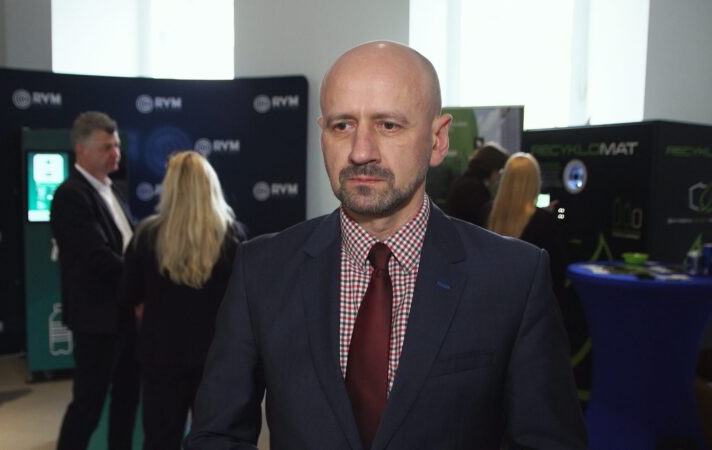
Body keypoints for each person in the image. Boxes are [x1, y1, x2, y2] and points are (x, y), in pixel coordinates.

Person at [186, 41, 587, 449]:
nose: (361, 151)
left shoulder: (513, 278)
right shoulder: (263, 270)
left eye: (388, 125)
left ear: (438, 140)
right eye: (342, 126)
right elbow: (215, 435)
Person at [119, 151, 246, 450]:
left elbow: (127, 295)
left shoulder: (147, 235)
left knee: (160, 438)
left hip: (161, 356)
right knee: (213, 439)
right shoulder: (233, 237)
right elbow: (242, 303)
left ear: (171, 188)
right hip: (216, 357)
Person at [51, 112, 139, 450]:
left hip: (126, 314)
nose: (115, 153)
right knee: (88, 404)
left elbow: (128, 246)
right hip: (97, 320)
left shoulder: (113, 190)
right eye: (106, 147)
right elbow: (97, 258)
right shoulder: (70, 195)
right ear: (81, 150)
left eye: (116, 146)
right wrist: (144, 283)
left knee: (127, 399)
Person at [487, 153, 568, 299]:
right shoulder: (544, 221)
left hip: (492, 296)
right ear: (535, 182)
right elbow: (556, 271)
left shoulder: (487, 212)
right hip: (529, 300)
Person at [445, 142, 509, 227]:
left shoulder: (464, 181)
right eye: (499, 169)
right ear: (492, 167)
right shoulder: (476, 189)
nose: (499, 175)